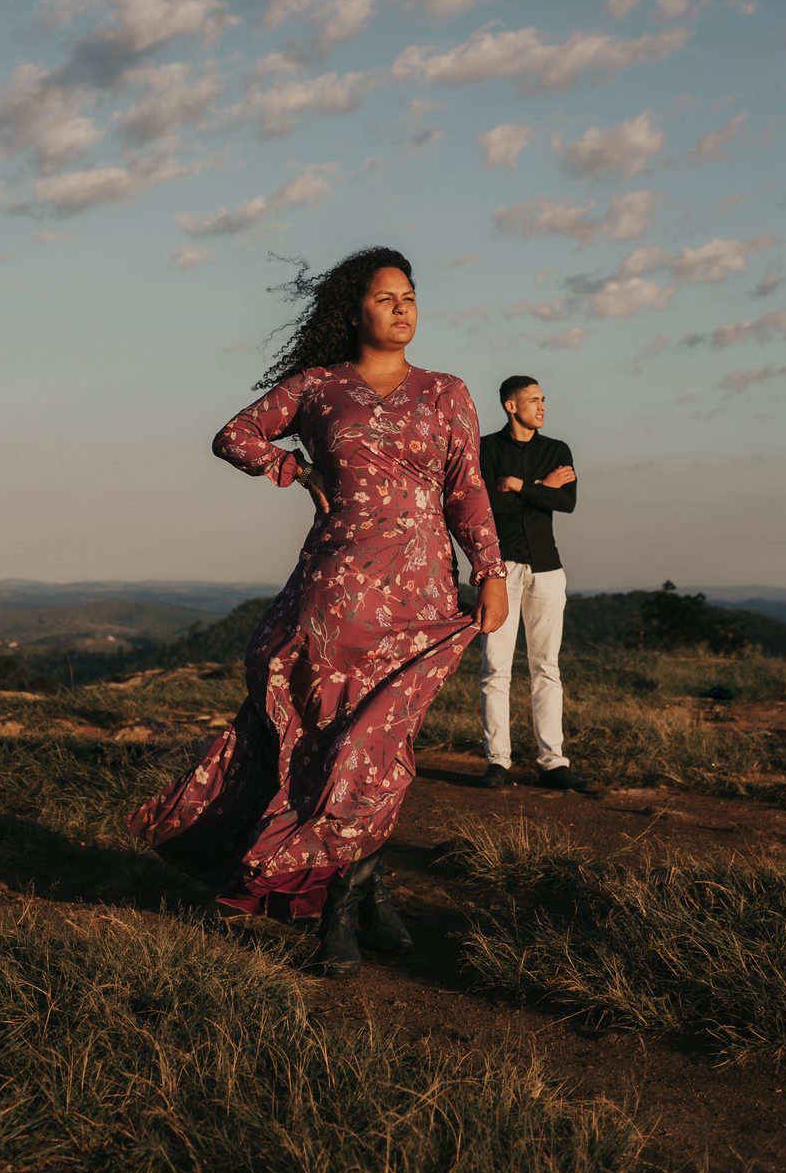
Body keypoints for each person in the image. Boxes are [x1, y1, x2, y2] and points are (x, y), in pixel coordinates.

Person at [127, 247, 508, 979]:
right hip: (336, 594)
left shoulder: (447, 392)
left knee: (379, 748)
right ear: (354, 310)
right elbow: (233, 435)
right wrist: (294, 469)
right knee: (336, 746)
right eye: (386, 297)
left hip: (423, 591)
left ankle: (352, 893)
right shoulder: (319, 387)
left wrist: (489, 571)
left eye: (410, 296)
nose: (403, 307)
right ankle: (350, 900)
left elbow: (466, 489)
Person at [477, 375, 589, 791]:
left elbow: (568, 502)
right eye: (533, 400)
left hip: (546, 569)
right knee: (495, 669)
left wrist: (522, 485)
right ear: (511, 405)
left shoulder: (556, 450)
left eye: (543, 399)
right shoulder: (487, 448)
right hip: (500, 569)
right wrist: (542, 489)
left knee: (546, 668)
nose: (542, 406)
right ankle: (497, 762)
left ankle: (553, 762)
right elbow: (487, 503)